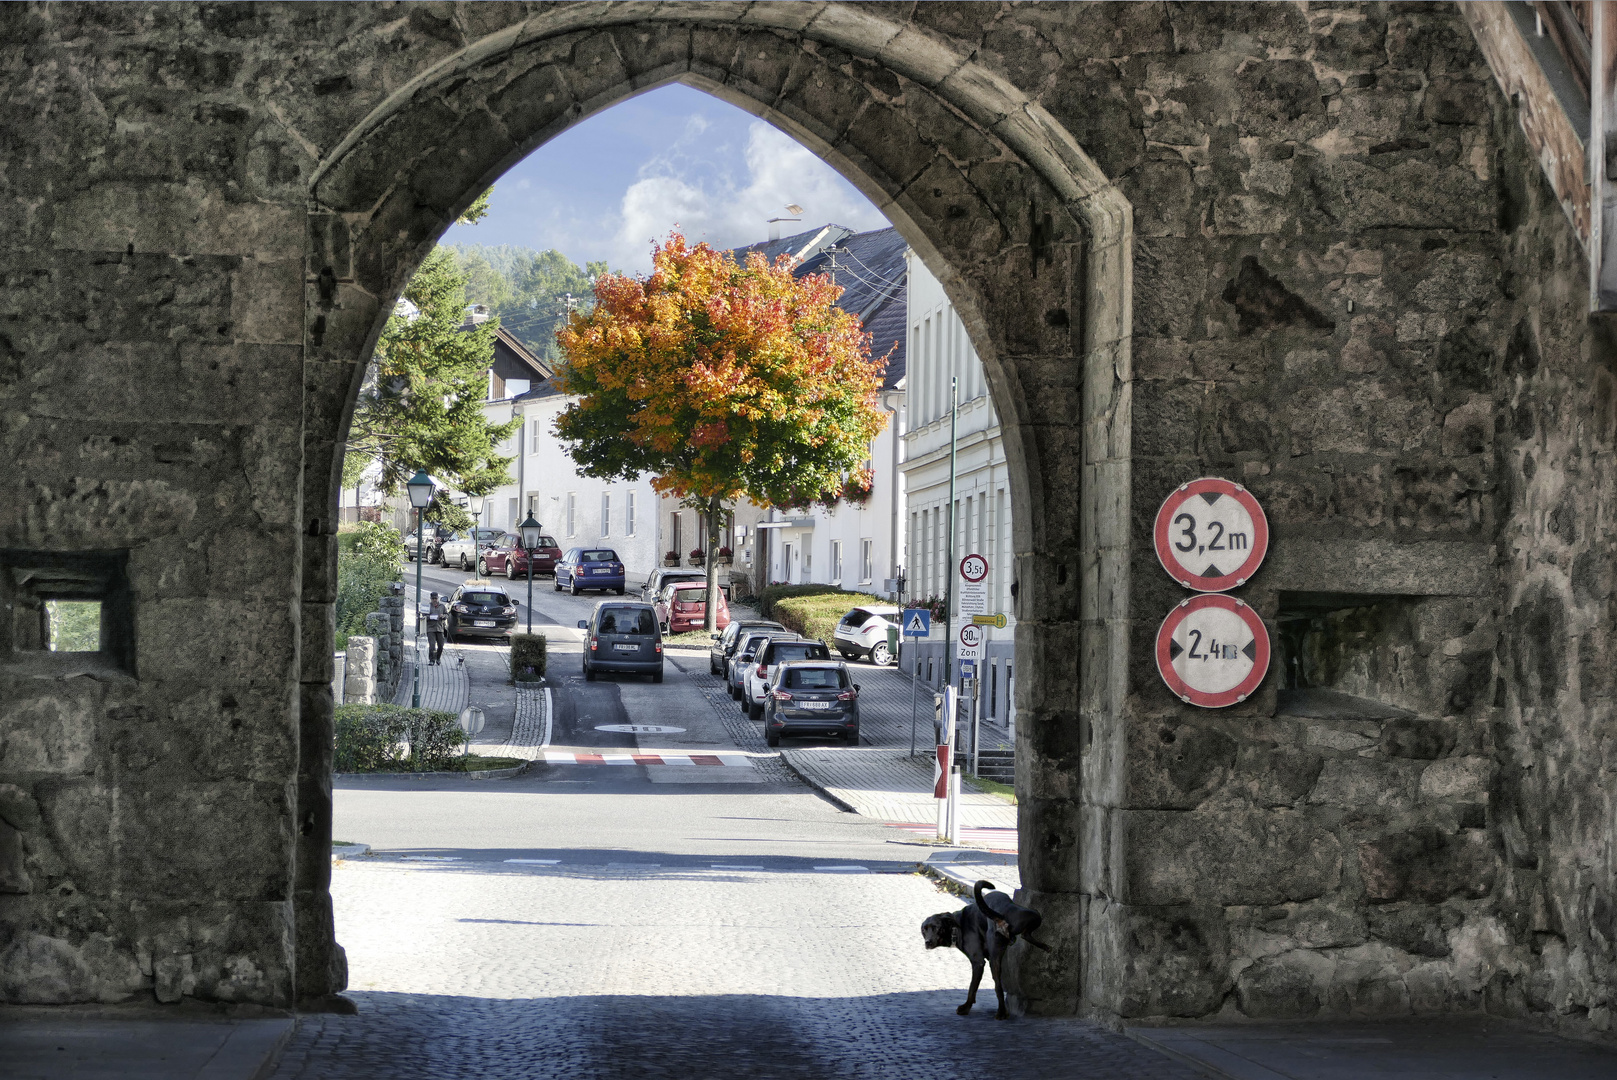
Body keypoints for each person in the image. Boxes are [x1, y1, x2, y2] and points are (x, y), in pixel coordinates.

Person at [426, 591, 448, 666]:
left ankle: (438, 658)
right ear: (431, 599)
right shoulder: (428, 606)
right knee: (432, 646)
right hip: (430, 629)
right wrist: (431, 617)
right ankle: (431, 660)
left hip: (440, 628)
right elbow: (424, 616)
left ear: (438, 598)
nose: (434, 600)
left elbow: (446, 614)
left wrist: (443, 616)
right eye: (433, 599)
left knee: (441, 645)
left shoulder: (442, 606)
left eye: (436, 598)